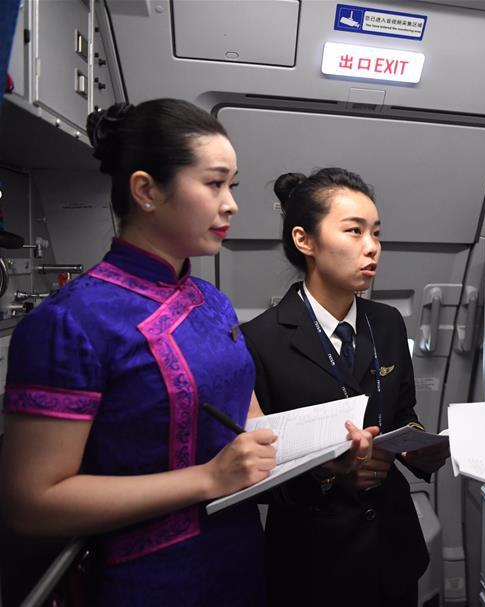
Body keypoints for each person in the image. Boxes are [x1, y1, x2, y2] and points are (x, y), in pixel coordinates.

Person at [0, 100, 374, 606]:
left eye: (232, 186)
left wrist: (326, 459)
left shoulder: (211, 303)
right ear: (146, 191)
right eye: (214, 184)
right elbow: (32, 503)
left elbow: (251, 431)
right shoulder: (69, 322)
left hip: (238, 557)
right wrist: (207, 478)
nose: (231, 204)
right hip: (150, 579)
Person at [241, 168, 450, 607]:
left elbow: (403, 412)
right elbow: (254, 473)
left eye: (376, 233)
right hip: (312, 563)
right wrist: (328, 474)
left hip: (393, 551)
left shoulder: (387, 323)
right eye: (354, 231)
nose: (371, 246)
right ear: (305, 241)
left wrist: (420, 448)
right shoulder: (260, 340)